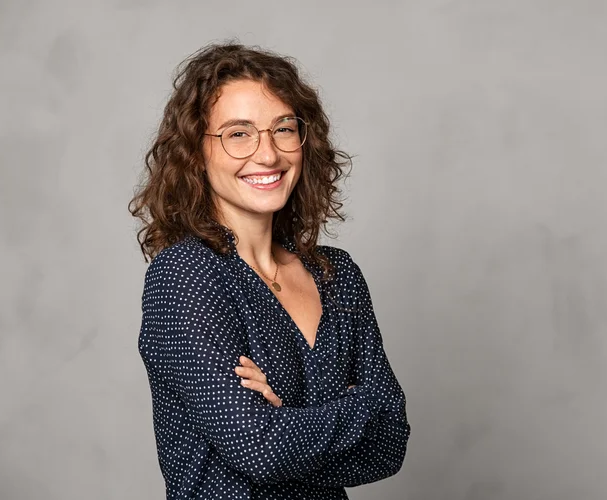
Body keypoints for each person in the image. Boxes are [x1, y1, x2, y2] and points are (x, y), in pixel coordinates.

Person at [129, 41, 411, 500]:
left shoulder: (337, 276)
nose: (268, 155)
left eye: (283, 129)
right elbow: (260, 449)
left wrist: (287, 419)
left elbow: (391, 440)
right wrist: (362, 405)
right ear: (195, 153)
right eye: (238, 133)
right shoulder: (184, 276)